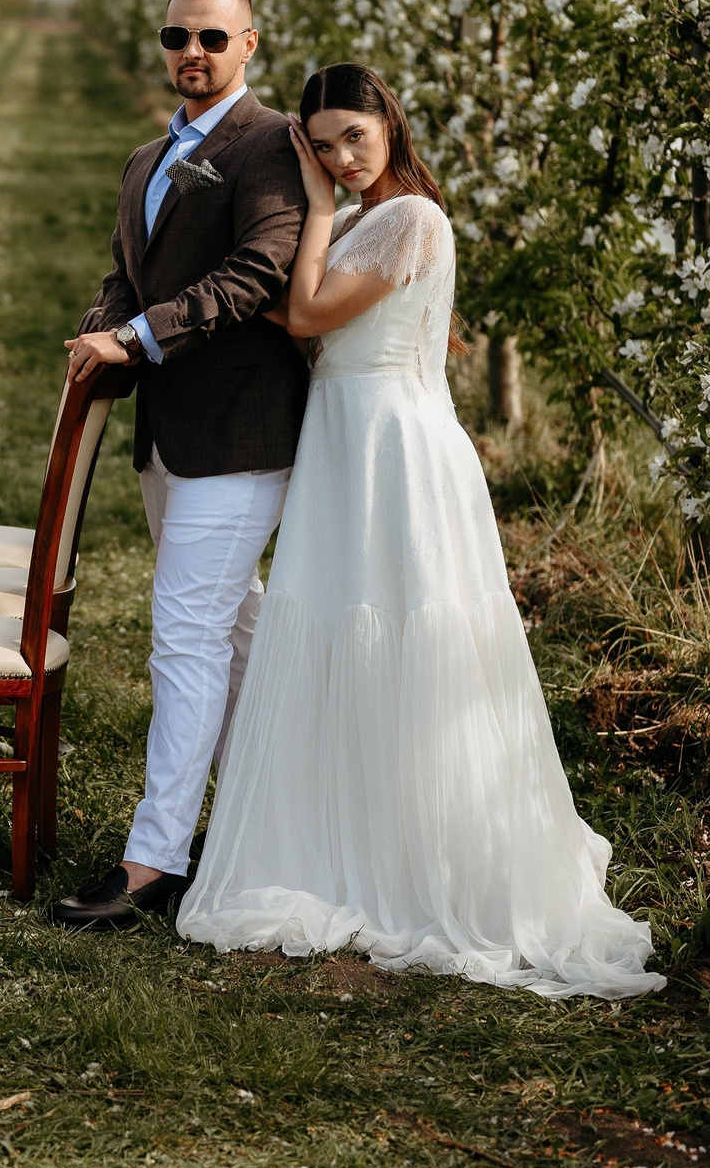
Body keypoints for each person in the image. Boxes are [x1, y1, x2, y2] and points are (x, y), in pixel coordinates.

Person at [176, 62, 663, 998]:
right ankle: (356, 836)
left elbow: (307, 311)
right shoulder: (365, 224)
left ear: (389, 126)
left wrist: (313, 206)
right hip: (343, 446)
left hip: (396, 448)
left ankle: (431, 850)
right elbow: (293, 311)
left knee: (407, 622)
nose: (341, 158)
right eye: (320, 147)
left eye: (354, 137)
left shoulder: (410, 220)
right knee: (342, 621)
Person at [53, 0, 310, 930]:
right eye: (175, 37)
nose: (190, 53)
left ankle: (154, 859)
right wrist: (101, 324)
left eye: (211, 37)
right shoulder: (146, 155)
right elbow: (127, 271)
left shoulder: (272, 147)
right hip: (172, 436)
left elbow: (255, 275)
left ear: (249, 44)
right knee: (234, 629)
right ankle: (261, 820)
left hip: (241, 435)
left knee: (186, 638)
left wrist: (137, 337)